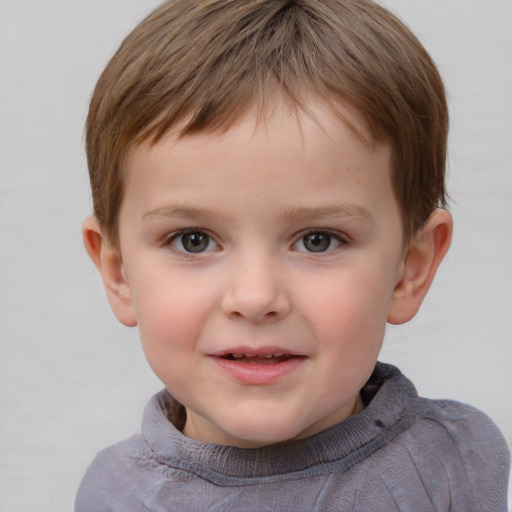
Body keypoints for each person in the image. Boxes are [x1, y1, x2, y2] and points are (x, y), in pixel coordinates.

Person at [75, 0, 510, 510]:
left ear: (408, 270)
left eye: (317, 240)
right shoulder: (115, 496)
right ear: (118, 272)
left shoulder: (457, 464)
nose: (256, 298)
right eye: (193, 239)